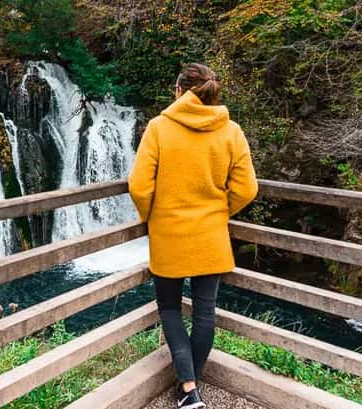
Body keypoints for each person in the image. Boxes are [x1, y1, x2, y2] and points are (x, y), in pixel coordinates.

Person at [128, 63, 258, 409]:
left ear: (180, 91)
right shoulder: (231, 131)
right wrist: (219, 211)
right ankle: (191, 388)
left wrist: (152, 217)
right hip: (211, 235)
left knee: (169, 307)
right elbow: (247, 188)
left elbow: (140, 186)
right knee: (204, 311)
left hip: (169, 234)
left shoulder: (158, 128)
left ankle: (188, 387)